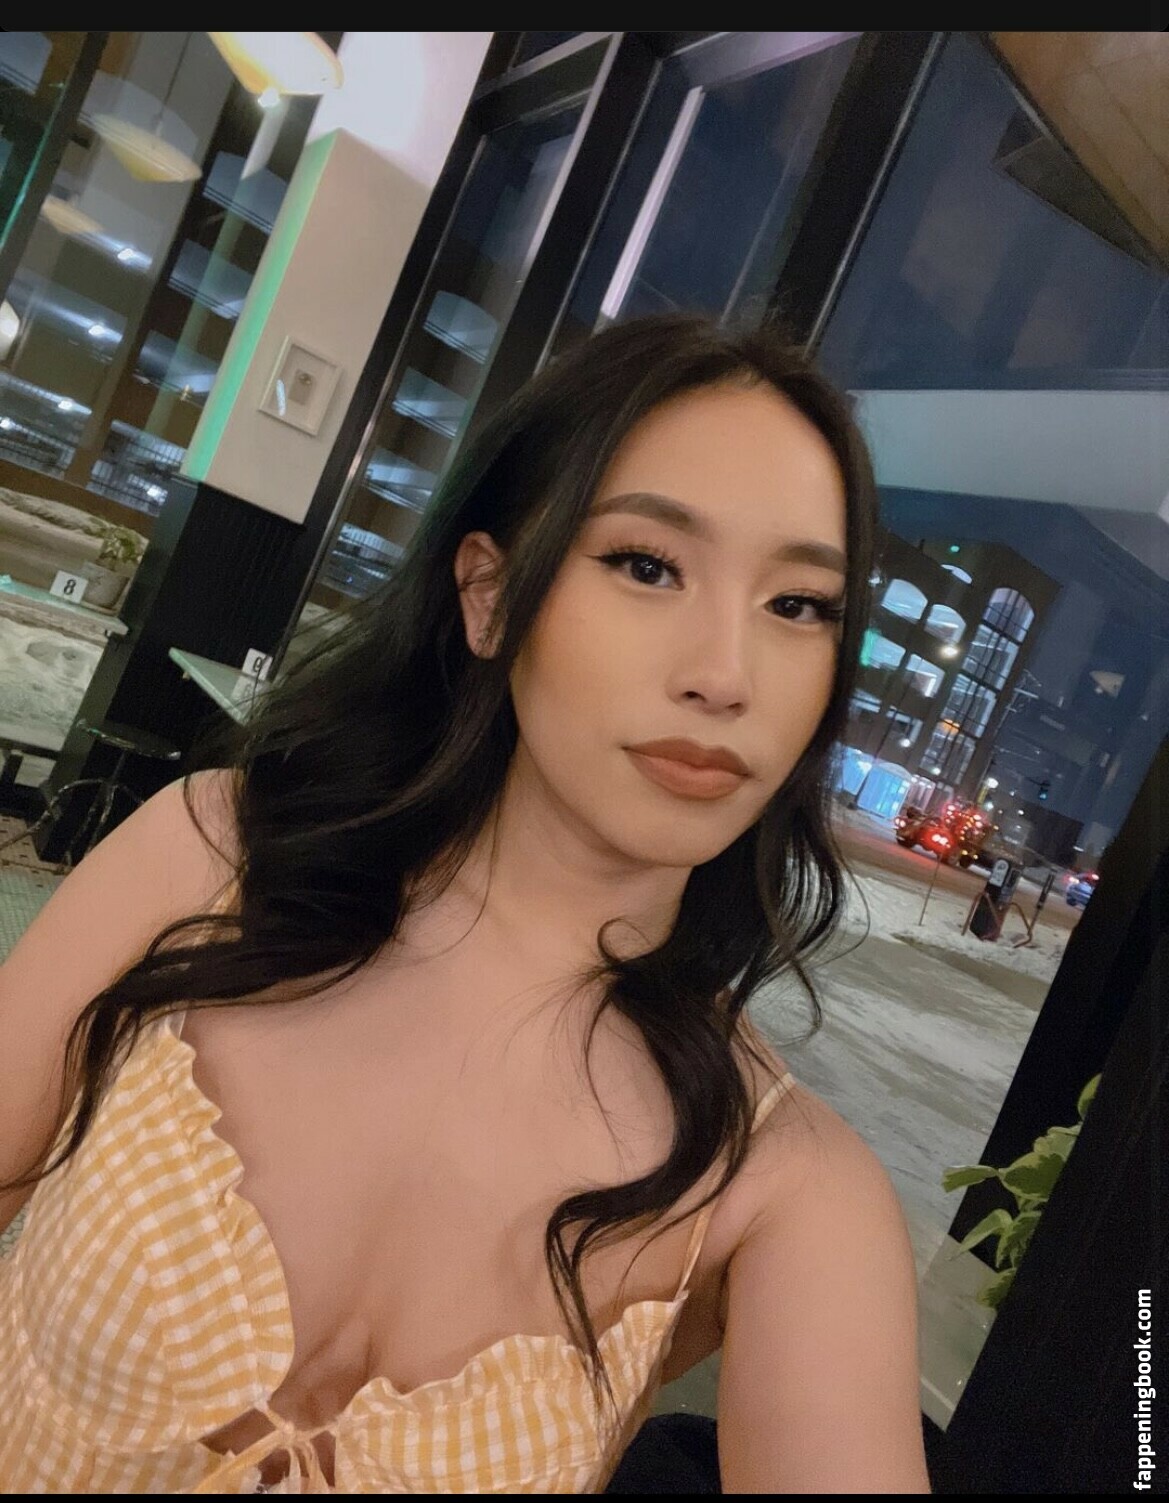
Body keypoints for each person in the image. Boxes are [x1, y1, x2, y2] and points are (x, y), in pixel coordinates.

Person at [0, 313, 930, 1494]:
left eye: (797, 605)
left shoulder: (785, 1190)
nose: (724, 676)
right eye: (646, 566)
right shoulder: (208, 860)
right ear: (488, 596)